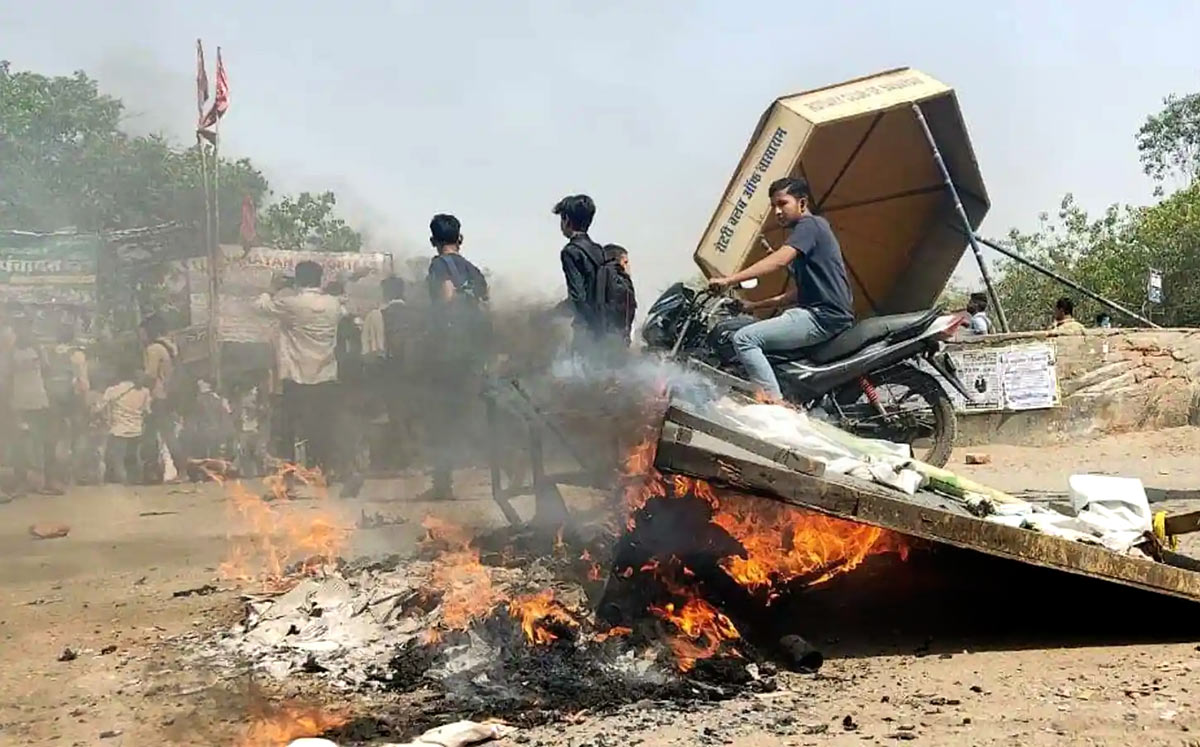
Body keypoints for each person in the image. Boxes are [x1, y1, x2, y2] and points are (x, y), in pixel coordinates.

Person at [708, 177, 855, 401]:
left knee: (745, 339)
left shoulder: (810, 225)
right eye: (773, 206)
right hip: (820, 315)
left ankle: (775, 408)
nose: (777, 211)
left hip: (822, 318)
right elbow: (798, 294)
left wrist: (729, 280)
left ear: (802, 203)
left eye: (782, 203)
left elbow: (778, 260)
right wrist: (754, 306)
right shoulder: (811, 233)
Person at [425, 213, 490, 500]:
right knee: (469, 409)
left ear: (433, 241)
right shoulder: (474, 270)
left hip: (447, 350)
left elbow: (446, 297)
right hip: (473, 349)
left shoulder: (439, 265)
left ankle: (443, 483)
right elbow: (487, 306)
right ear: (460, 239)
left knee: (441, 414)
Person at [256, 260, 342, 474]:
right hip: (326, 375)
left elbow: (259, 306)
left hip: (297, 377)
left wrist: (273, 288)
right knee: (323, 428)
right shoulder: (334, 305)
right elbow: (344, 309)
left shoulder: (291, 304)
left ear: (297, 279)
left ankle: (288, 478)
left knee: (288, 430)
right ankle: (324, 472)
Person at [362, 276, 417, 471]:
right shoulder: (417, 315)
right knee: (412, 416)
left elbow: (369, 353)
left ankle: (393, 461)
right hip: (417, 377)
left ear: (384, 292)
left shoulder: (375, 316)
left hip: (388, 375)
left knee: (391, 417)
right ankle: (414, 460)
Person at [9, 319, 60, 494]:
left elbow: (48, 371)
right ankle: (21, 481)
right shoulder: (10, 351)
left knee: (45, 441)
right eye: (20, 328)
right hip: (19, 402)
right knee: (21, 444)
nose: (24, 332)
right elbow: (7, 377)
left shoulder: (39, 349)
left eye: (27, 328)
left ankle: (47, 480)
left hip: (40, 401)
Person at [552, 194, 606, 353]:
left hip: (587, 330)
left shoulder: (570, 252)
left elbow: (578, 297)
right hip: (605, 324)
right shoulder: (599, 250)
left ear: (567, 220)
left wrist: (551, 315)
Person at [140, 314, 184, 482]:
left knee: (157, 435)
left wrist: (138, 379)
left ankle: (173, 470)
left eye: (143, 332)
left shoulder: (153, 349)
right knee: (166, 434)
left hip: (157, 396)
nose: (142, 336)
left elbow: (150, 375)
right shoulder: (170, 346)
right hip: (169, 395)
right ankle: (173, 470)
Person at [43, 324, 90, 484]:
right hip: (73, 397)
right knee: (79, 434)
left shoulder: (49, 353)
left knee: (54, 435)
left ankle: (52, 473)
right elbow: (83, 381)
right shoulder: (77, 355)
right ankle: (74, 472)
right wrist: (85, 398)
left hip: (53, 397)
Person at [95, 359, 152, 485]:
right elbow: (147, 411)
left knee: (115, 459)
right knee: (132, 457)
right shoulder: (145, 391)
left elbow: (99, 408)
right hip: (136, 430)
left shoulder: (112, 390)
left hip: (118, 430)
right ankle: (135, 481)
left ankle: (119, 482)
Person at [598, 244, 638, 349]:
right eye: (626, 262)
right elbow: (625, 311)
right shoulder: (620, 280)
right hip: (614, 342)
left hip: (596, 341)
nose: (628, 267)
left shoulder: (596, 275)